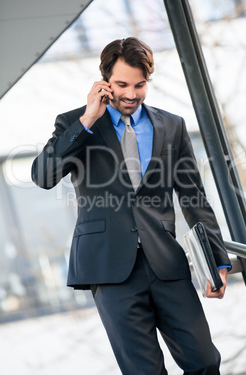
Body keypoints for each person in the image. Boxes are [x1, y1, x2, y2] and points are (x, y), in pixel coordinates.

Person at [32, 37, 231, 374]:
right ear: (104, 81)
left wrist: (216, 262)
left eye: (140, 85)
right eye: (121, 84)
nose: (131, 94)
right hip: (109, 269)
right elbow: (43, 175)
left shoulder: (172, 126)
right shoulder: (75, 124)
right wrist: (87, 120)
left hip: (166, 263)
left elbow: (194, 197)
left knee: (205, 361)